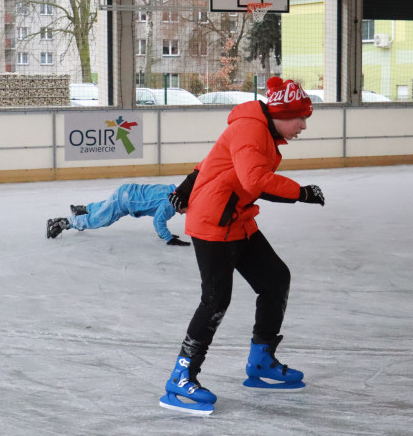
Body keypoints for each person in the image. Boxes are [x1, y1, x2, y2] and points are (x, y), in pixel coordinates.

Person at [158, 76, 325, 416]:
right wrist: (302, 192)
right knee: (216, 299)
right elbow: (255, 179)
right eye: (299, 118)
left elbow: (213, 162)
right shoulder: (252, 129)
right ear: (280, 113)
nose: (303, 125)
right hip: (213, 223)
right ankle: (181, 376)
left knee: (275, 279)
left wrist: (188, 184)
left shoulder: (261, 128)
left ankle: (261, 360)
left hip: (237, 218)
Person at [45, 183, 190, 245]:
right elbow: (158, 222)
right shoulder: (170, 204)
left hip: (126, 192)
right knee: (99, 220)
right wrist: (169, 238)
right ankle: (63, 222)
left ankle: (83, 209)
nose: (183, 214)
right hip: (125, 202)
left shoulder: (172, 190)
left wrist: (163, 233)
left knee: (105, 206)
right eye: (186, 210)